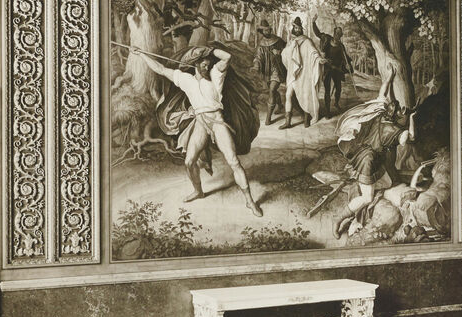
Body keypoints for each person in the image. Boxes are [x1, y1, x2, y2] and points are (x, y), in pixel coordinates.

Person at [137, 44, 262, 215]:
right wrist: (141, 54)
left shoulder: (216, 75)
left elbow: (227, 57)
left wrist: (208, 50)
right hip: (200, 124)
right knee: (189, 161)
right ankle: (198, 191)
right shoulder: (184, 79)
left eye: (208, 64)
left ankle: (250, 201)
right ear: (195, 63)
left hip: (217, 123)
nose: (207, 67)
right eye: (204, 64)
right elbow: (160, 69)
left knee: (233, 161)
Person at [333, 61, 415, 237]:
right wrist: (412, 119)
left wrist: (390, 78)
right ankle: (338, 220)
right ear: (397, 118)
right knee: (367, 197)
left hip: (364, 155)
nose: (402, 112)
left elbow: (383, 92)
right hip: (368, 162)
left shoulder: (379, 111)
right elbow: (411, 137)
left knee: (384, 183)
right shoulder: (394, 131)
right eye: (401, 112)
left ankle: (354, 214)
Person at [280, 17, 323, 128]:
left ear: (301, 29)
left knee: (305, 96)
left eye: (299, 28)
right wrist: (290, 48)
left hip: (304, 74)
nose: (297, 29)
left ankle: (306, 119)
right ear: (293, 28)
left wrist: (319, 60)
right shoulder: (291, 42)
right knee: (288, 95)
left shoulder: (307, 41)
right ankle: (288, 122)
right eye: (295, 28)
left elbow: (314, 53)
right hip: (293, 74)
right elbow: (285, 56)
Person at [312, 17, 352, 117]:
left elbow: (345, 58)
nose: (337, 36)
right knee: (327, 90)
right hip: (327, 69)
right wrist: (313, 23)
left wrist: (348, 65)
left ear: (341, 36)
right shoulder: (326, 39)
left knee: (338, 88)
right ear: (334, 34)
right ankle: (327, 111)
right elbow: (317, 33)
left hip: (337, 70)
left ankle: (336, 103)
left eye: (339, 35)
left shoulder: (341, 46)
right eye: (336, 34)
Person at [254, 25, 286, 125]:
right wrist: (256, 65)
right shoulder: (261, 44)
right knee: (272, 90)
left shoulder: (278, 40)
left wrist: (280, 52)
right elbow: (258, 57)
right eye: (265, 30)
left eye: (268, 30)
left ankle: (268, 118)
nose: (267, 32)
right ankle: (280, 105)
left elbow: (287, 51)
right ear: (262, 31)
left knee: (272, 90)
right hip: (267, 71)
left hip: (277, 69)